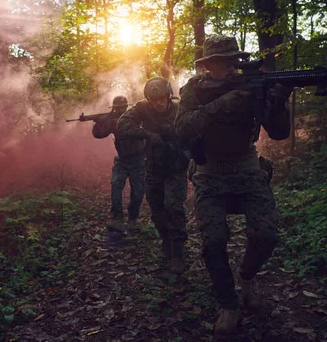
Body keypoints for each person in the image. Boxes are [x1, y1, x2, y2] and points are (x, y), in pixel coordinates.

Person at [174, 35, 292, 336]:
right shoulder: (194, 90)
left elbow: (278, 132)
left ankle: (247, 278)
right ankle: (228, 304)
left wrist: (277, 103)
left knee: (265, 235)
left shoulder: (250, 86)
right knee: (213, 242)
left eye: (232, 62)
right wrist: (222, 104)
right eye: (220, 63)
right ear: (207, 66)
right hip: (209, 174)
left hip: (247, 169)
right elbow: (182, 128)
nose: (228, 68)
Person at [116, 77, 189, 274]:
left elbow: (195, 130)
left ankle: (177, 251)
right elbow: (122, 125)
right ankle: (166, 239)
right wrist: (147, 134)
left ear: (168, 96)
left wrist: (188, 153)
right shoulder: (142, 108)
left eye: (161, 98)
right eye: (153, 99)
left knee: (173, 206)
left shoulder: (180, 108)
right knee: (156, 207)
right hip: (154, 167)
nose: (158, 103)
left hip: (176, 166)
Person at [92, 95, 146, 233]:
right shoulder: (112, 121)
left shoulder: (136, 118)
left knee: (138, 191)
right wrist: (99, 123)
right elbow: (99, 135)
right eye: (117, 108)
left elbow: (141, 132)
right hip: (122, 160)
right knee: (116, 187)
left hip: (138, 160)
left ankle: (132, 220)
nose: (120, 110)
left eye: (122, 108)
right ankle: (117, 219)